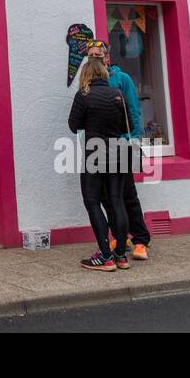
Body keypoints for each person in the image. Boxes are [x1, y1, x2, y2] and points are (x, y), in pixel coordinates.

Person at [68, 56, 130, 272]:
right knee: (117, 202)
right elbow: (126, 125)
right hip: (118, 150)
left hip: (95, 151)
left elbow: (73, 125)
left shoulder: (84, 95)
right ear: (104, 72)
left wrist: (89, 120)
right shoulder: (117, 94)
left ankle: (105, 256)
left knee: (92, 201)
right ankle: (121, 255)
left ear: (86, 74)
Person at [94, 42, 152, 262]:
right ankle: (121, 236)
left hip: (123, 145)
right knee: (106, 196)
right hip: (99, 149)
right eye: (91, 56)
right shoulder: (89, 83)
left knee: (127, 193)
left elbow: (134, 112)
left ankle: (140, 240)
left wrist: (132, 140)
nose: (95, 59)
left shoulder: (122, 79)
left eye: (99, 55)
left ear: (108, 58)